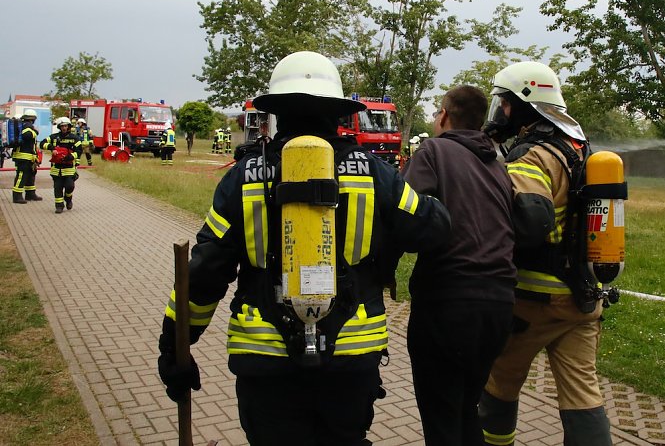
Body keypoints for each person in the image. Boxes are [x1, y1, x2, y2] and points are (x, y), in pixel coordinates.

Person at [157, 51, 451, 446]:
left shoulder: (243, 177)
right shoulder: (376, 173)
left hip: (265, 360)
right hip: (351, 357)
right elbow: (432, 230)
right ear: (338, 112)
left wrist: (174, 347)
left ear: (277, 111)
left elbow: (206, 271)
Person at [479, 61, 613, 446]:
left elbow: (531, 222)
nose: (500, 111)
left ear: (524, 104)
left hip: (534, 302)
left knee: (498, 386)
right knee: (583, 396)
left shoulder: (533, 155)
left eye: (504, 103)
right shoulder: (580, 147)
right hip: (582, 298)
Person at [401, 85, 516, 446]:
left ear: (445, 116)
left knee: (442, 419)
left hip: (448, 304)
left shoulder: (433, 150)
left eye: (438, 111)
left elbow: (406, 215)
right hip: (497, 309)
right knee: (466, 411)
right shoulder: (497, 166)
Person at [41, 117, 83, 213]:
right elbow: (42, 143)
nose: (64, 128)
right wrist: (52, 147)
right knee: (58, 188)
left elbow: (79, 150)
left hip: (69, 168)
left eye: (66, 126)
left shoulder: (74, 138)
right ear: (60, 127)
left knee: (70, 186)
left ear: (68, 126)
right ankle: (59, 206)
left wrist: (71, 156)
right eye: (62, 126)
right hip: (56, 169)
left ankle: (68, 198)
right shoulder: (54, 137)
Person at [11, 109, 42, 204]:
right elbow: (27, 135)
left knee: (30, 176)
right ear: (33, 119)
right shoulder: (27, 126)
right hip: (23, 157)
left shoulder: (24, 125)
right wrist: (35, 132)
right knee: (22, 175)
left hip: (28, 157)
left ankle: (30, 193)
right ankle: (17, 196)